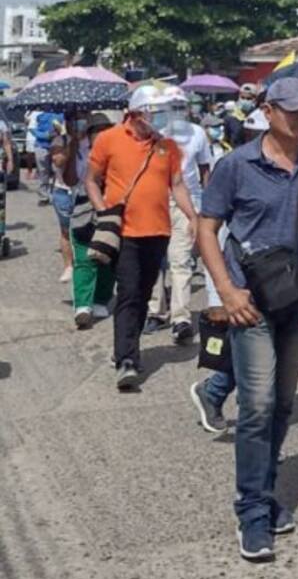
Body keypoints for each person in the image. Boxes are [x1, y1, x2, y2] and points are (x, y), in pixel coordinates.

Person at [196, 77, 298, 561]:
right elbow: (207, 227)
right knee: (256, 406)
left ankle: (266, 488)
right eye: (292, 111)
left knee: (282, 404)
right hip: (251, 304)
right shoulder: (237, 165)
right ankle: (253, 511)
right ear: (268, 111)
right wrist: (227, 290)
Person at [86, 86, 198, 391]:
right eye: (154, 110)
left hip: (158, 232)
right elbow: (92, 181)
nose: (160, 116)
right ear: (136, 112)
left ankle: (125, 346)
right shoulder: (108, 139)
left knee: (144, 292)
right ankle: (128, 361)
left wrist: (193, 216)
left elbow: (177, 186)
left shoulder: (168, 147)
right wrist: (105, 213)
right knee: (130, 293)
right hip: (124, 233)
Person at [146, 88, 213, 343]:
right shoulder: (154, 134)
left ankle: (181, 318)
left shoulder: (197, 133)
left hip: (187, 203)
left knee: (180, 260)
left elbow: (205, 169)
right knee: (154, 259)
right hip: (155, 202)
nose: (175, 110)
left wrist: (206, 207)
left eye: (179, 105)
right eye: (169, 105)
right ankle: (156, 311)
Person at [66, 113, 117, 329]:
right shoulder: (80, 153)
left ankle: (100, 299)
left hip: (110, 206)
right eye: (97, 130)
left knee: (107, 257)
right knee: (83, 258)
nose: (101, 134)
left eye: (106, 129)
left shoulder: (117, 153)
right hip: (84, 208)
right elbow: (69, 180)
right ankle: (83, 306)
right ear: (89, 134)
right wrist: (72, 148)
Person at [47, 119, 76, 283]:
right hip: (63, 191)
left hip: (82, 191)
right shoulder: (59, 141)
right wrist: (70, 145)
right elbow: (58, 162)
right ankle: (68, 266)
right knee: (65, 231)